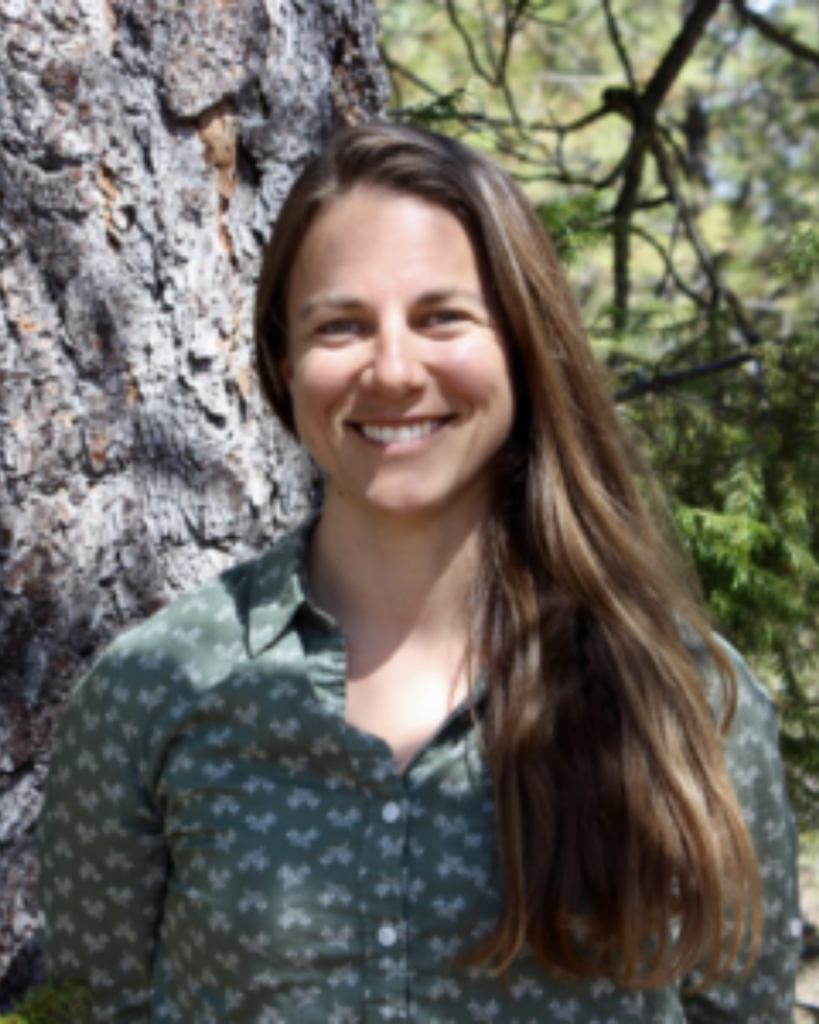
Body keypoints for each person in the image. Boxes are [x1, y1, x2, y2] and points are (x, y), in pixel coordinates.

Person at [38, 123, 801, 1023]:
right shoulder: (152, 693)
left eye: (442, 318)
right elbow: (89, 1009)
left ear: (521, 344)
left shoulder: (683, 698)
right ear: (285, 365)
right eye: (340, 325)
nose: (393, 370)